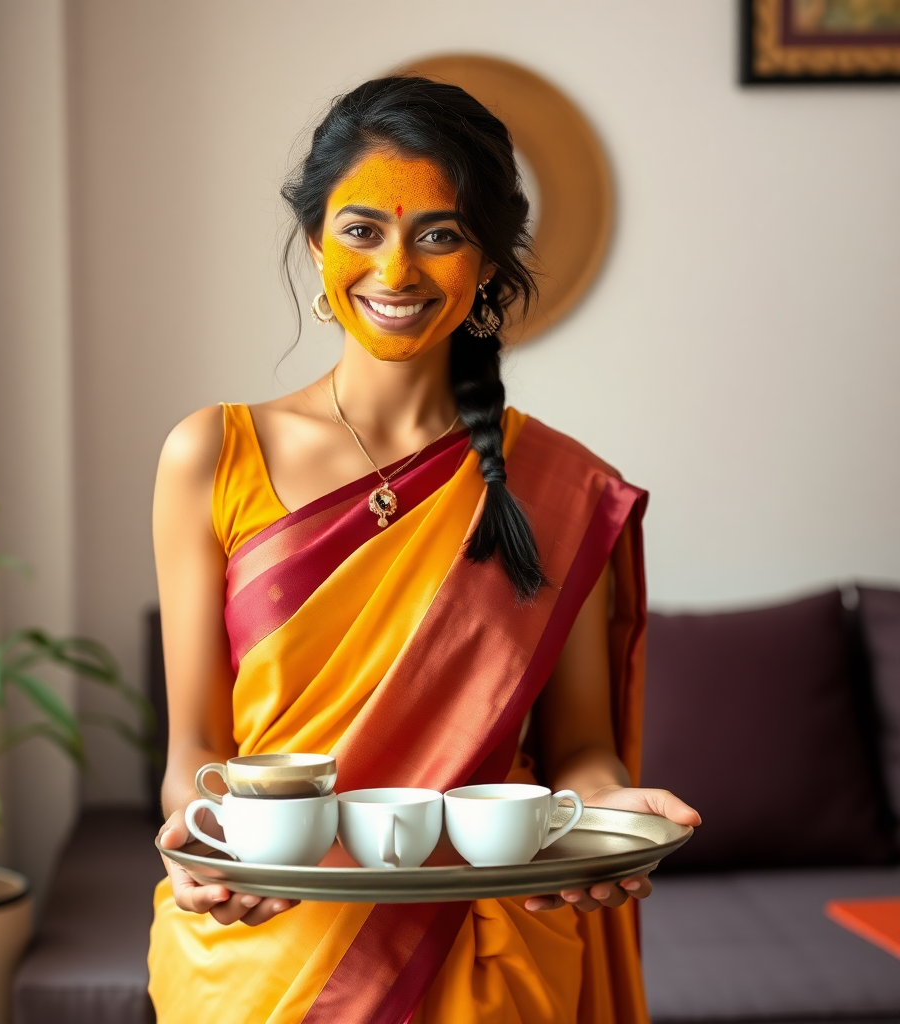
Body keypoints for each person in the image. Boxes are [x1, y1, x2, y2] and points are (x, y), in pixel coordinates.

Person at [148, 75, 699, 1024]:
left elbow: (580, 754)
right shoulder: (211, 453)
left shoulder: (559, 487)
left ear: (487, 261)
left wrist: (612, 821)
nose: (395, 270)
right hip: (260, 952)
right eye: (362, 230)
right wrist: (200, 855)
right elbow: (198, 751)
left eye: (439, 234)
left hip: (486, 955)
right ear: (316, 241)